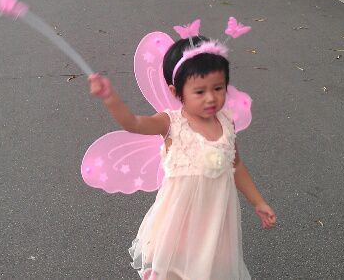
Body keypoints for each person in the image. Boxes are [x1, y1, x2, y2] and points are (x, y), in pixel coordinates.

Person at [88, 36, 276, 279]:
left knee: (209, 270)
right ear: (176, 92)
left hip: (215, 221)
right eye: (200, 91)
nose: (211, 98)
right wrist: (110, 98)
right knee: (174, 271)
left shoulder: (226, 123)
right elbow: (133, 123)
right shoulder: (170, 123)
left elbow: (236, 165)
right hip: (178, 224)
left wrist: (258, 202)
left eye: (218, 88)